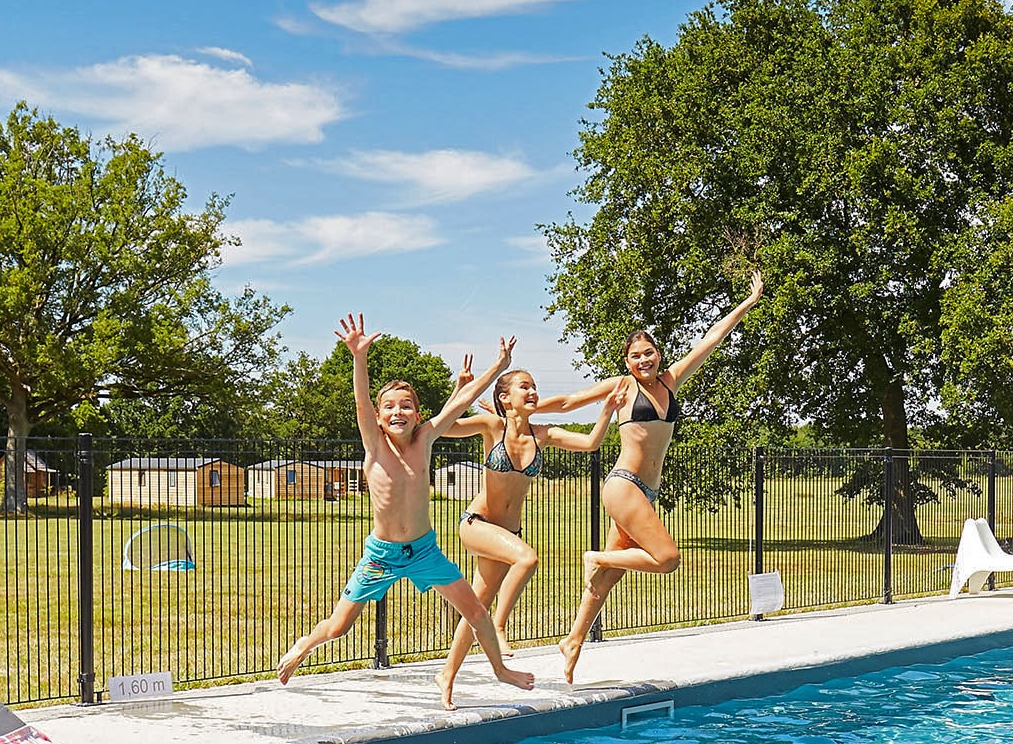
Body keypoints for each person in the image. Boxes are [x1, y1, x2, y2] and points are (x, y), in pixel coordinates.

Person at [275, 317, 536, 693]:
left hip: (424, 551)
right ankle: (304, 646)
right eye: (389, 407)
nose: (398, 412)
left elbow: (462, 402)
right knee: (339, 626)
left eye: (406, 406)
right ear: (379, 418)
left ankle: (500, 670)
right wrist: (359, 358)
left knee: (477, 612)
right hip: (381, 555)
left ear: (418, 414)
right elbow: (361, 401)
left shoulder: (425, 439)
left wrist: (498, 366)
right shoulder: (374, 443)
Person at [559, 272, 768, 682]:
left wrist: (747, 302)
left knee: (609, 577)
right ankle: (594, 556)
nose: (644, 360)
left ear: (658, 354)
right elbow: (568, 401)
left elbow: (711, 339)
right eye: (636, 356)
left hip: (646, 491)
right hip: (623, 484)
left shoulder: (671, 382)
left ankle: (574, 639)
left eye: (649, 353)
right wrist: (519, 410)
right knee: (667, 559)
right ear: (627, 362)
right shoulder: (622, 387)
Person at [435, 360, 619, 709]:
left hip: (507, 531)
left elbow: (591, 443)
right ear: (505, 398)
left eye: (534, 386)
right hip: (477, 523)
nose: (533, 391)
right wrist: (460, 388)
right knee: (527, 558)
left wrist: (607, 410)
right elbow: (444, 427)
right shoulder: (492, 426)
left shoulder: (543, 435)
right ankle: (499, 627)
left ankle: (447, 675)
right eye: (525, 386)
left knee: (475, 608)